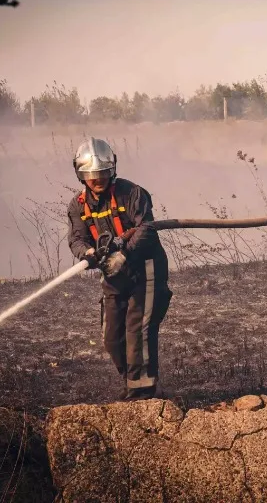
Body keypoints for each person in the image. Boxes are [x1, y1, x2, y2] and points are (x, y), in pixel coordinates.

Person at [66, 137, 173, 400]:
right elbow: (77, 239)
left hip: (145, 269)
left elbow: (146, 229)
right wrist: (88, 253)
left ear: (111, 169)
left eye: (102, 172)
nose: (97, 179)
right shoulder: (78, 206)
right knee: (112, 337)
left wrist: (124, 254)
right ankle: (132, 380)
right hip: (113, 274)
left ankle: (142, 393)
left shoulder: (132, 193)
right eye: (91, 174)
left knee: (138, 329)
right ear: (80, 174)